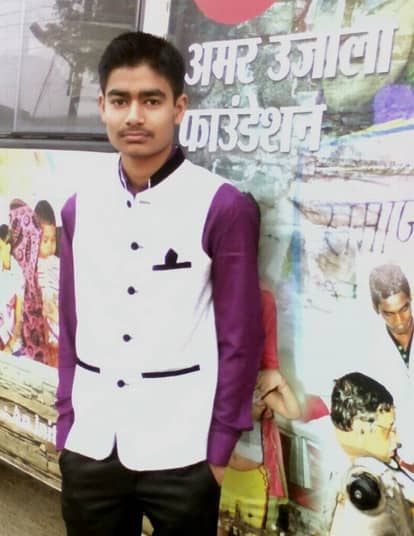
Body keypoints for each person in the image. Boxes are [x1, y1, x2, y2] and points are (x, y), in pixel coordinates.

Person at [55, 30, 264, 536]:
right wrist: (66, 424)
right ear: (102, 106)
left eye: (151, 100)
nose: (134, 116)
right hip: (91, 443)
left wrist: (218, 451)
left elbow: (240, 338)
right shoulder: (78, 207)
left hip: (183, 451)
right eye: (120, 100)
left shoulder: (223, 206)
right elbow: (71, 323)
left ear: (179, 108)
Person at [219, 281, 300, 534]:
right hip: (225, 477)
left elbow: (293, 412)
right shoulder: (219, 386)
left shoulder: (258, 387)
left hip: (253, 480)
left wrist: (280, 382)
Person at [326, 372, 414, 535]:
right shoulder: (360, 488)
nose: (397, 439)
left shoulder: (379, 468)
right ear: (361, 428)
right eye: (389, 429)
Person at [35, 200, 59, 367]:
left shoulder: (58, 264)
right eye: (45, 241)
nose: (50, 245)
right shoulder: (32, 266)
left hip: (56, 324)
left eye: (53, 240)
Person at [0, 224, 24, 353]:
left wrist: (10, 345)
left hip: (10, 341)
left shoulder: (18, 275)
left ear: (8, 248)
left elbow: (19, 318)